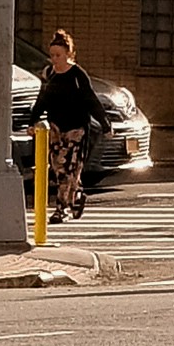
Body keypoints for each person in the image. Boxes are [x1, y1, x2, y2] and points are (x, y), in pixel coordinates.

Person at [32, 27, 103, 218]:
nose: (54, 59)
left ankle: (60, 208)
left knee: (69, 168)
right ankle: (77, 195)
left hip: (76, 128)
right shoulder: (49, 75)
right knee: (58, 168)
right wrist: (33, 121)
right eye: (52, 55)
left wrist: (104, 123)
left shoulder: (77, 75)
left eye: (58, 55)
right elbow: (42, 99)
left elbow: (90, 99)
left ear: (68, 54)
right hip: (55, 128)